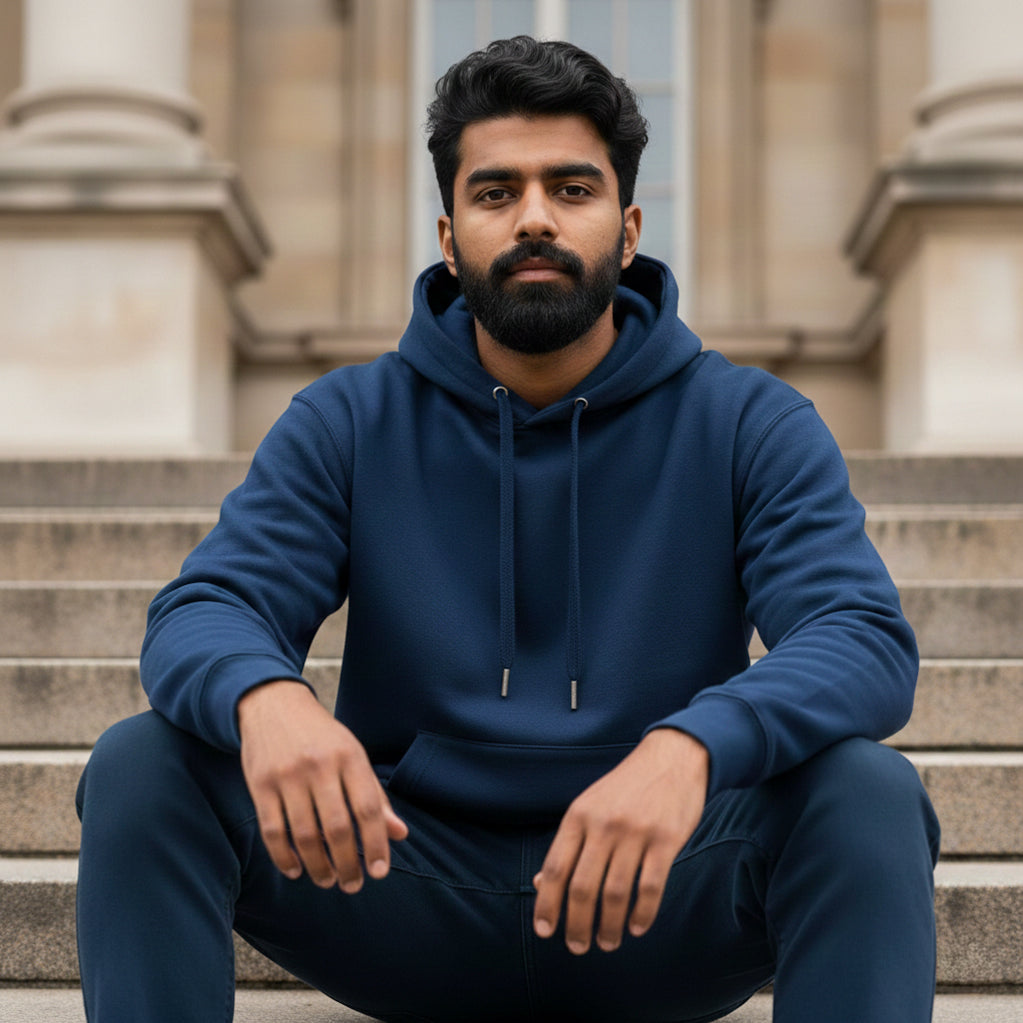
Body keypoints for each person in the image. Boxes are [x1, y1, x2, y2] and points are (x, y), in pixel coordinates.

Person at [76, 36, 940, 1023]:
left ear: (628, 228)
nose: (534, 217)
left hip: (657, 893)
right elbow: (206, 607)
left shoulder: (747, 421)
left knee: (866, 793)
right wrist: (267, 699)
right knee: (145, 767)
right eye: (496, 194)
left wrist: (691, 748)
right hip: (399, 888)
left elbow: (861, 637)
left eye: (573, 189)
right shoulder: (349, 419)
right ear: (449, 237)